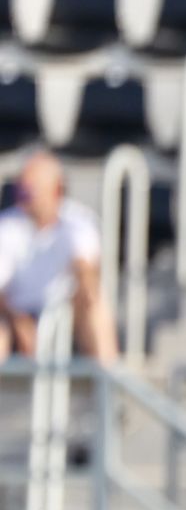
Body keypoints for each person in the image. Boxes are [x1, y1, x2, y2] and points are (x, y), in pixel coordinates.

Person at [0, 150, 118, 362]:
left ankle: (106, 383)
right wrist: (17, 320)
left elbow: (85, 268)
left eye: (31, 190)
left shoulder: (77, 222)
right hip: (17, 313)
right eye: (22, 190)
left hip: (65, 312)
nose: (24, 197)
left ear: (55, 190)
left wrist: (85, 286)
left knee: (96, 305)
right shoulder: (8, 225)